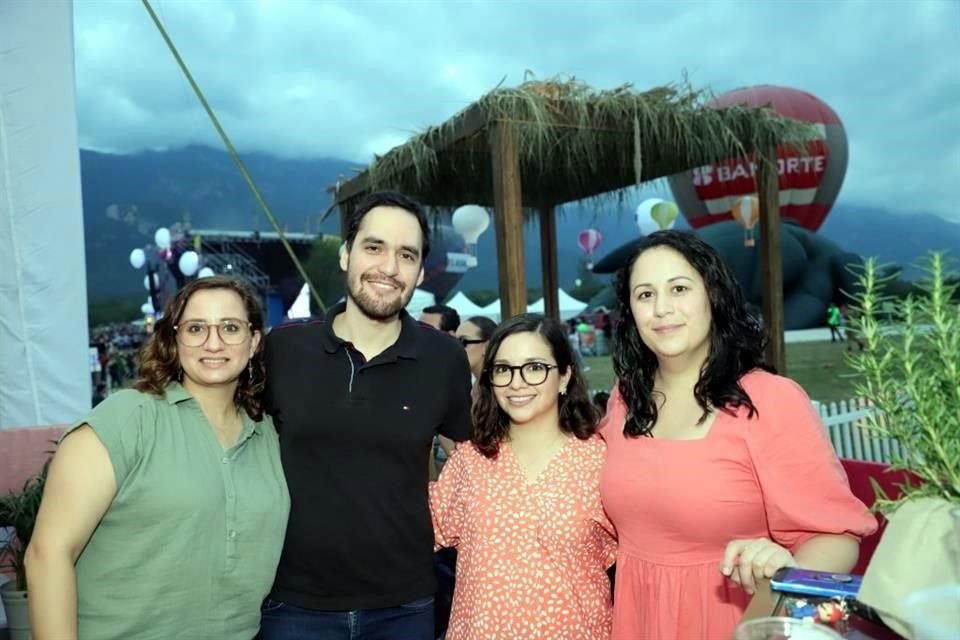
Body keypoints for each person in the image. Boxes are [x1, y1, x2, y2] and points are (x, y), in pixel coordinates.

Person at [600, 230, 877, 640]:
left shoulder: (770, 400)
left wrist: (787, 568)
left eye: (679, 288)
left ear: (713, 295)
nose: (661, 309)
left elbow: (837, 538)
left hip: (736, 622)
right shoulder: (625, 398)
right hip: (637, 620)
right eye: (645, 295)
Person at [260, 190, 473, 640]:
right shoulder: (284, 349)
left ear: (419, 272)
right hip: (292, 603)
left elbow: (471, 463)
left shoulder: (444, 359)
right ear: (345, 255)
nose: (389, 268)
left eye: (407, 255)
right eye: (374, 247)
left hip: (405, 605)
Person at [26, 276, 289, 640]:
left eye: (230, 327)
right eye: (196, 328)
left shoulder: (270, 437)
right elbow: (47, 554)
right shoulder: (126, 420)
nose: (213, 343)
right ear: (174, 338)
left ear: (254, 340)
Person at [431, 313, 617, 640]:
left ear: (564, 376)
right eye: (503, 369)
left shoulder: (601, 461)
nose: (517, 383)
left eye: (534, 368)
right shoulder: (471, 461)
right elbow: (415, 529)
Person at [454, 315, 498, 388]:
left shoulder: (499, 386)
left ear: (487, 347)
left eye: (463, 342)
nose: (456, 348)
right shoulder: (475, 387)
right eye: (455, 342)